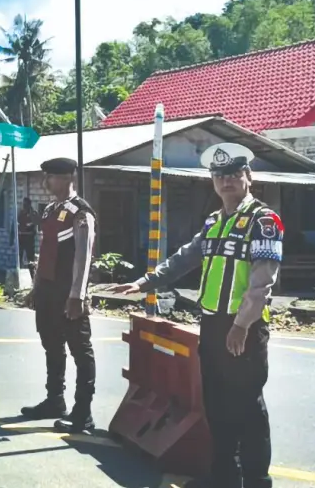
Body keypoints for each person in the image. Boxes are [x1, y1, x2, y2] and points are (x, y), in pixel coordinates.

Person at [110, 142, 282, 488]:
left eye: (234, 174)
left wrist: (242, 325)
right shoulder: (214, 222)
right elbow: (185, 257)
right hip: (213, 324)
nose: (227, 182)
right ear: (213, 182)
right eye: (220, 176)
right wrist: (146, 282)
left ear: (249, 177)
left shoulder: (263, 221)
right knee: (216, 405)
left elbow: (262, 282)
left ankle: (257, 480)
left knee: (247, 407)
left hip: (242, 329)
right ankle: (225, 477)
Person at [21, 157, 98, 433]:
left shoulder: (81, 213)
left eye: (50, 177)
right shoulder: (51, 211)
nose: (45, 182)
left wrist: (77, 296)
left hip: (69, 294)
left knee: (80, 352)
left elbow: (84, 258)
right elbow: (45, 253)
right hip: (48, 293)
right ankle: (55, 400)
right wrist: (36, 288)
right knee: (51, 346)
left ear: (67, 178)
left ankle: (82, 413)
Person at [17, 197, 38, 271]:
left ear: (29, 204)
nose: (24, 206)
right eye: (23, 204)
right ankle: (19, 272)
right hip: (21, 238)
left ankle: (32, 274)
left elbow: (36, 224)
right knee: (19, 256)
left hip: (29, 239)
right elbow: (16, 224)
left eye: (26, 204)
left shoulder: (33, 213)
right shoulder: (21, 213)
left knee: (30, 258)